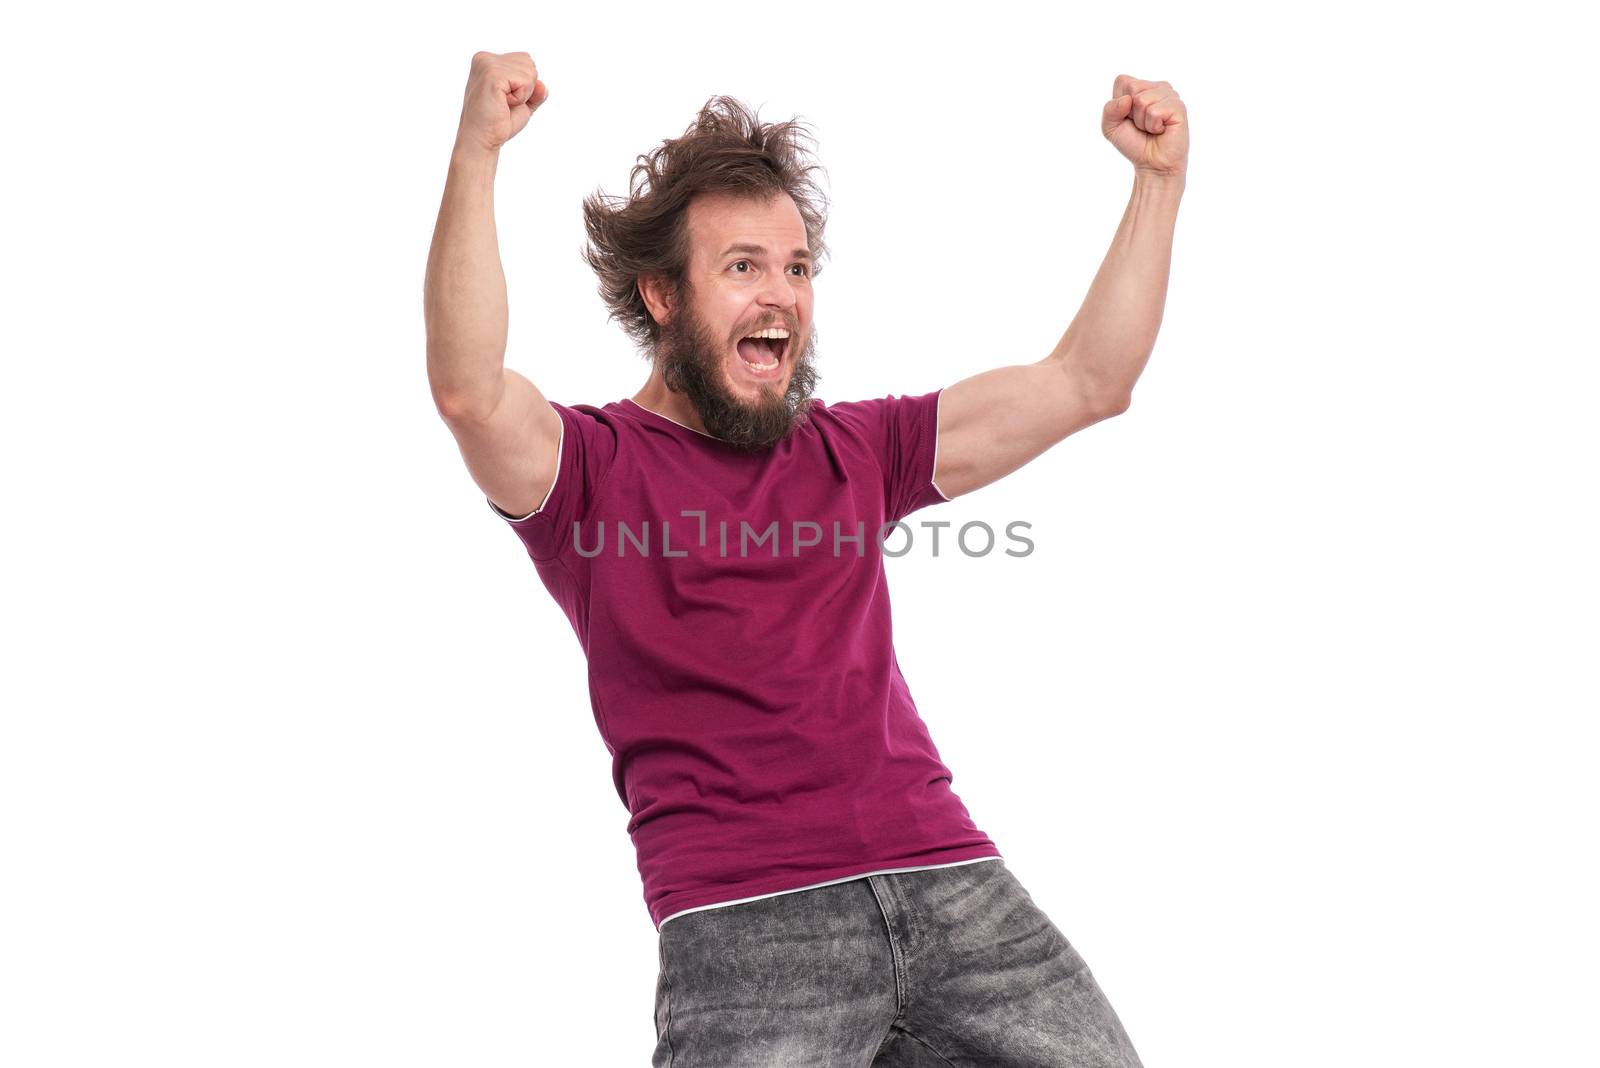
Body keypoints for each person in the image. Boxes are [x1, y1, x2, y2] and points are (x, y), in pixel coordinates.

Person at [424, 49, 1186, 1068]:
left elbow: (1089, 380)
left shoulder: (857, 450)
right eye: (742, 267)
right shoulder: (592, 473)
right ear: (662, 296)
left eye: (795, 267)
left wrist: (1156, 182)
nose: (779, 295)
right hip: (749, 923)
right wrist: (477, 152)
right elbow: (471, 392)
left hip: (953, 884)